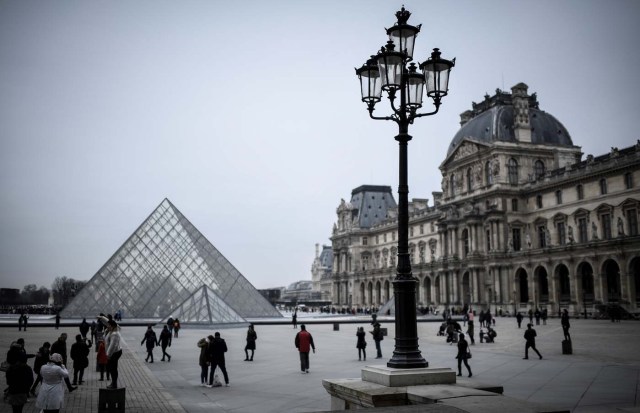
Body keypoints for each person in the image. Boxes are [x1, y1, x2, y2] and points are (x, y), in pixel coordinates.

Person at [106, 319, 123, 389]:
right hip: (116, 352)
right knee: (112, 368)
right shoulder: (114, 330)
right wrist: (102, 317)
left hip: (115, 353)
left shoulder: (114, 334)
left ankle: (114, 384)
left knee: (113, 369)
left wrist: (108, 355)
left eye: (109, 325)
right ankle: (113, 383)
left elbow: (113, 345)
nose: (107, 326)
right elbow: (110, 321)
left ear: (112, 326)